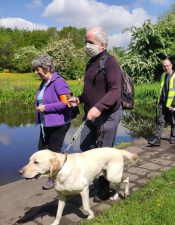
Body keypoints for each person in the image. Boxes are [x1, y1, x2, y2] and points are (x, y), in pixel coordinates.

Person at [68, 26, 122, 202]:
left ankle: (104, 189)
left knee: (103, 154)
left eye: (89, 42)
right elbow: (91, 89)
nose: (86, 45)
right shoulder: (91, 62)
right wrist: (79, 99)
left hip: (107, 115)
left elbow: (115, 91)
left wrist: (98, 107)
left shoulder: (110, 62)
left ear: (101, 45)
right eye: (86, 41)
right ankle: (97, 172)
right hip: (91, 115)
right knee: (84, 145)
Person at [32, 54, 72, 190]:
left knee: (54, 153)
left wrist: (46, 108)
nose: (36, 72)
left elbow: (66, 102)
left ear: (46, 67)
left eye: (37, 69)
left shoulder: (59, 82)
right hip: (46, 124)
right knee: (42, 150)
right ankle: (46, 173)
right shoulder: (44, 82)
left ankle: (53, 179)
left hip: (59, 124)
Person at [148, 58, 175, 146]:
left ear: (171, 66)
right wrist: (158, 101)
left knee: (173, 122)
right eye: (164, 66)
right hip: (162, 103)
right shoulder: (163, 76)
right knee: (160, 121)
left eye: (167, 65)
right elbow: (162, 90)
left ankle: (172, 137)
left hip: (172, 105)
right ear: (163, 67)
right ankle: (157, 140)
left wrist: (172, 105)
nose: (166, 67)